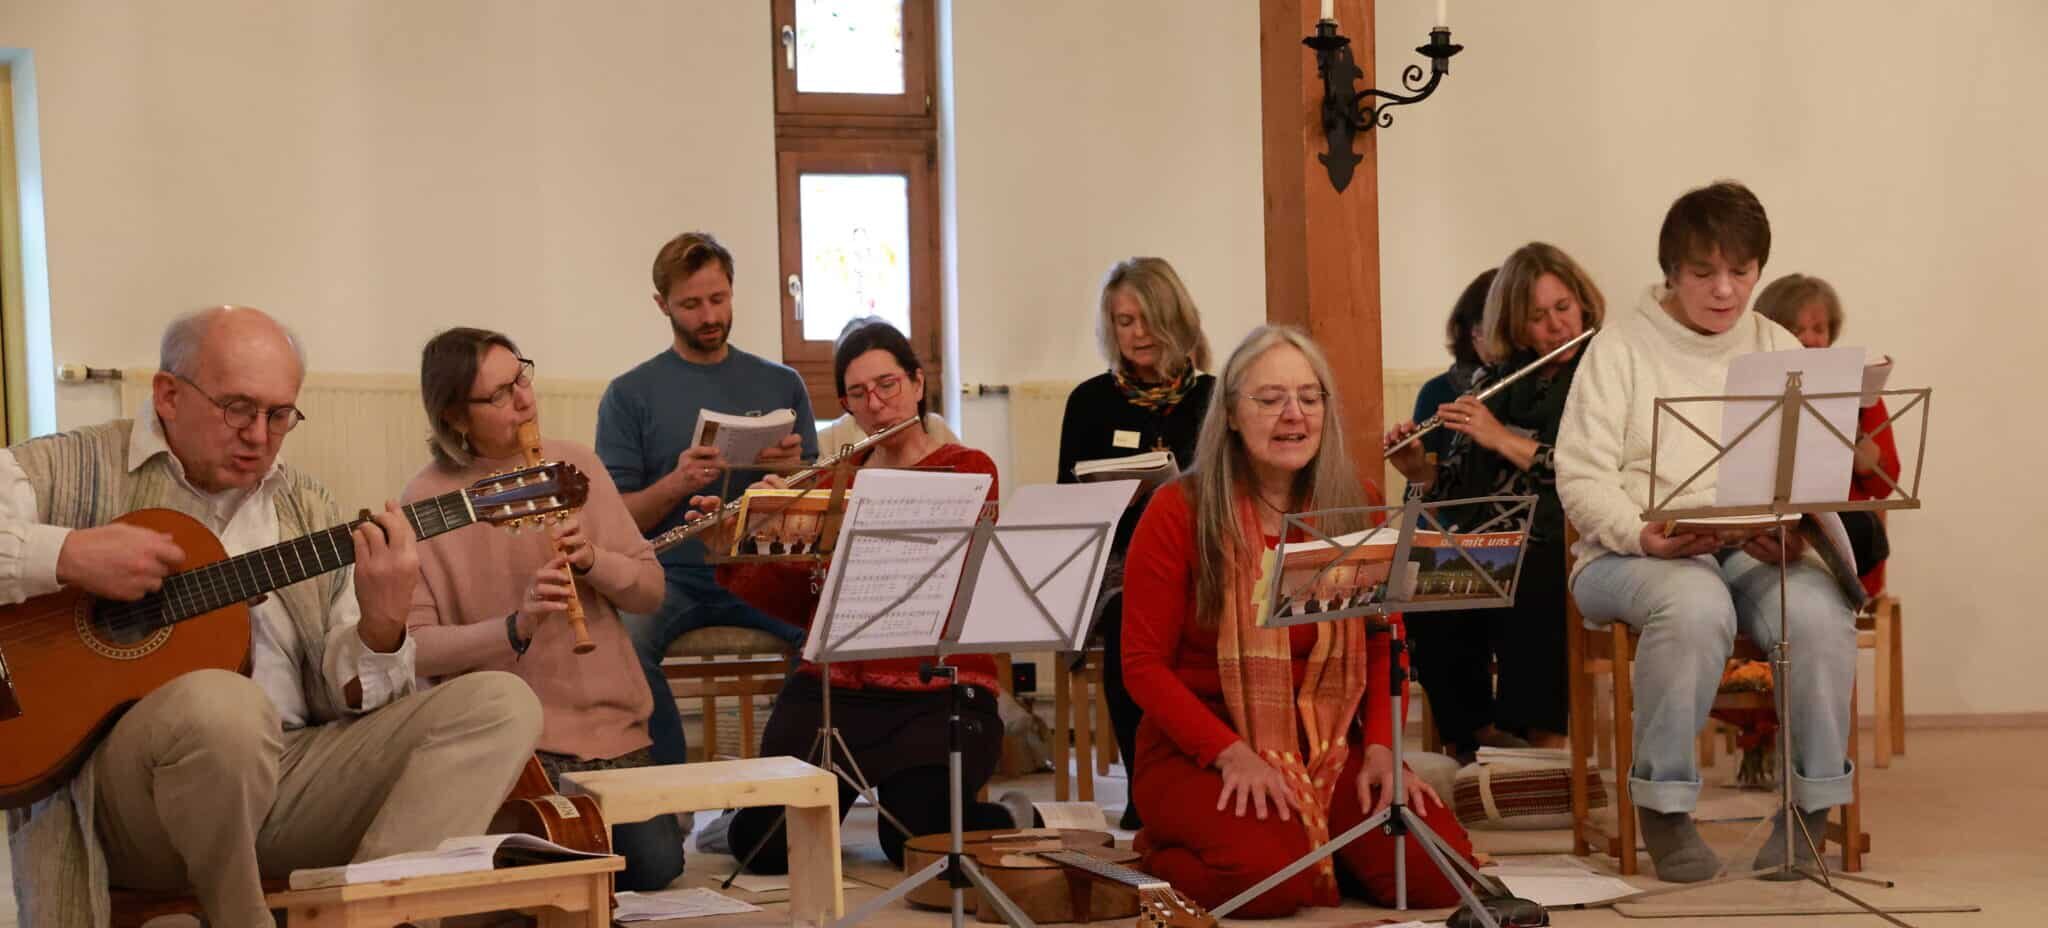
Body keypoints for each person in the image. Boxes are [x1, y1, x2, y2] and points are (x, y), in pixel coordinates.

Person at [3, 307, 541, 928]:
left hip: (291, 778)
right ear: (168, 394)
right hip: (131, 810)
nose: (258, 435)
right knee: (225, 705)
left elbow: (351, 700)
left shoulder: (307, 506)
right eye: (238, 409)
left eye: (279, 415)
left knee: (502, 702)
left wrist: (382, 626)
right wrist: (68, 555)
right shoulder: (69, 465)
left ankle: (373, 918)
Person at [1556, 181, 1861, 883]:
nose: (1725, 290)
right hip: (1631, 551)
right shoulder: (1619, 347)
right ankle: (1663, 808)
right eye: (1703, 273)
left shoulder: (1777, 343)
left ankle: (1811, 807)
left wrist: (1792, 526)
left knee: (1818, 614)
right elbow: (1580, 476)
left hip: (1748, 547)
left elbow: (1808, 470)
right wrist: (1642, 534)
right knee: (1695, 606)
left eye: (1741, 272)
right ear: (1672, 272)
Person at [1122, 325, 1474, 917]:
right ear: (1230, 413)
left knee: (1441, 875)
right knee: (1270, 883)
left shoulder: (1357, 501)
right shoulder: (1178, 509)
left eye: (1310, 398)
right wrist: (1231, 754)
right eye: (1270, 399)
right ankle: (1157, 856)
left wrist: (1383, 749)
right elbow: (1142, 667)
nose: (1294, 415)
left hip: (1328, 744)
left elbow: (1384, 640)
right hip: (1205, 748)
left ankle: (1331, 851)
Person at [717, 319, 1019, 871]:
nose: (876, 405)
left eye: (887, 385)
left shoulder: (968, 469)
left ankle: (1015, 819)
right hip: (835, 689)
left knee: (917, 841)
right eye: (858, 394)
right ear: (846, 406)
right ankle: (747, 808)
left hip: (936, 689)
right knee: (763, 847)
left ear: (918, 383)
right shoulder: (832, 484)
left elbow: (952, 584)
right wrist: (749, 540)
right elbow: (805, 602)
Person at [402, 328, 681, 891]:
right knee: (549, 878)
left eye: (522, 378)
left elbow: (651, 591)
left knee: (654, 867)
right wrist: (516, 625)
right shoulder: (427, 501)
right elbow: (417, 648)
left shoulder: (574, 464)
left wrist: (595, 561)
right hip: (518, 746)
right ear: (456, 416)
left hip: (614, 730)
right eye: (500, 394)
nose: (525, 400)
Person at [597, 231, 820, 767]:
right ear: (662, 305)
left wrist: (791, 474)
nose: (709, 316)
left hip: (763, 569)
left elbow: (817, 505)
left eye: (718, 299)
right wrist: (677, 483)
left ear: (733, 291)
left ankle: (781, 785)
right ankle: (672, 794)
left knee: (829, 636)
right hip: (668, 575)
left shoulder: (782, 383)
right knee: (620, 644)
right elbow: (615, 519)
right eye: (691, 305)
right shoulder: (629, 394)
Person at [1385, 242, 1604, 762]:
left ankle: (1537, 746)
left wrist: (1501, 438)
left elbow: (1593, 470)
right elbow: (1458, 490)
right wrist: (1419, 470)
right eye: (1537, 317)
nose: (1556, 327)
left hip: (1569, 539)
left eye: (1563, 308)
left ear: (1583, 303)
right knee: (1419, 574)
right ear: (1515, 324)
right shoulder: (1497, 378)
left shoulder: (1605, 371)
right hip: (1495, 543)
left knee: (1535, 571)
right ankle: (1476, 738)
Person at [1054, 256, 1216, 829]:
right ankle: (1144, 785)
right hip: (1120, 561)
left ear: (1177, 320)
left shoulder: (1215, 398)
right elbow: (1066, 502)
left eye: (1148, 319)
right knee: (1132, 616)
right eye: (1124, 321)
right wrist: (1108, 500)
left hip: (1202, 554)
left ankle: (1204, 771)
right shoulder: (1089, 402)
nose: (1138, 334)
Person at [1754, 273, 1900, 596]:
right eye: (1795, 329)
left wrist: (1853, 428)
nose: (1809, 339)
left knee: (1862, 528)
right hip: (1763, 529)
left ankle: (1806, 552)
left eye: (1818, 329)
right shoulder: (1749, 390)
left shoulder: (1862, 394)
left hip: (1838, 536)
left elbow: (1883, 484)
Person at [1409, 269, 1496, 461]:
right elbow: (1430, 478)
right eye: (1481, 329)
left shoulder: (1536, 389)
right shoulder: (1436, 392)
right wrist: (1418, 468)